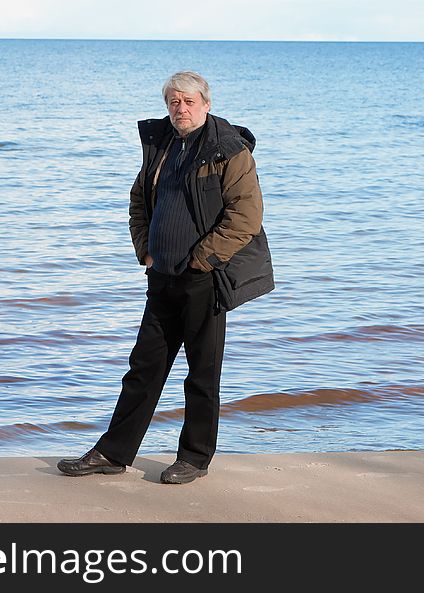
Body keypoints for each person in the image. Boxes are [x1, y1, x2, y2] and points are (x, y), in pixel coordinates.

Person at [58, 71, 274, 484]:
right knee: (143, 369)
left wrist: (203, 259)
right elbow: (139, 200)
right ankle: (112, 452)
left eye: (189, 101)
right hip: (161, 278)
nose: (181, 109)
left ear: (206, 104)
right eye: (174, 102)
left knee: (202, 375)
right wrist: (147, 250)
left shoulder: (229, 151)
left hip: (204, 280)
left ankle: (193, 459)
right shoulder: (161, 146)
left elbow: (245, 216)